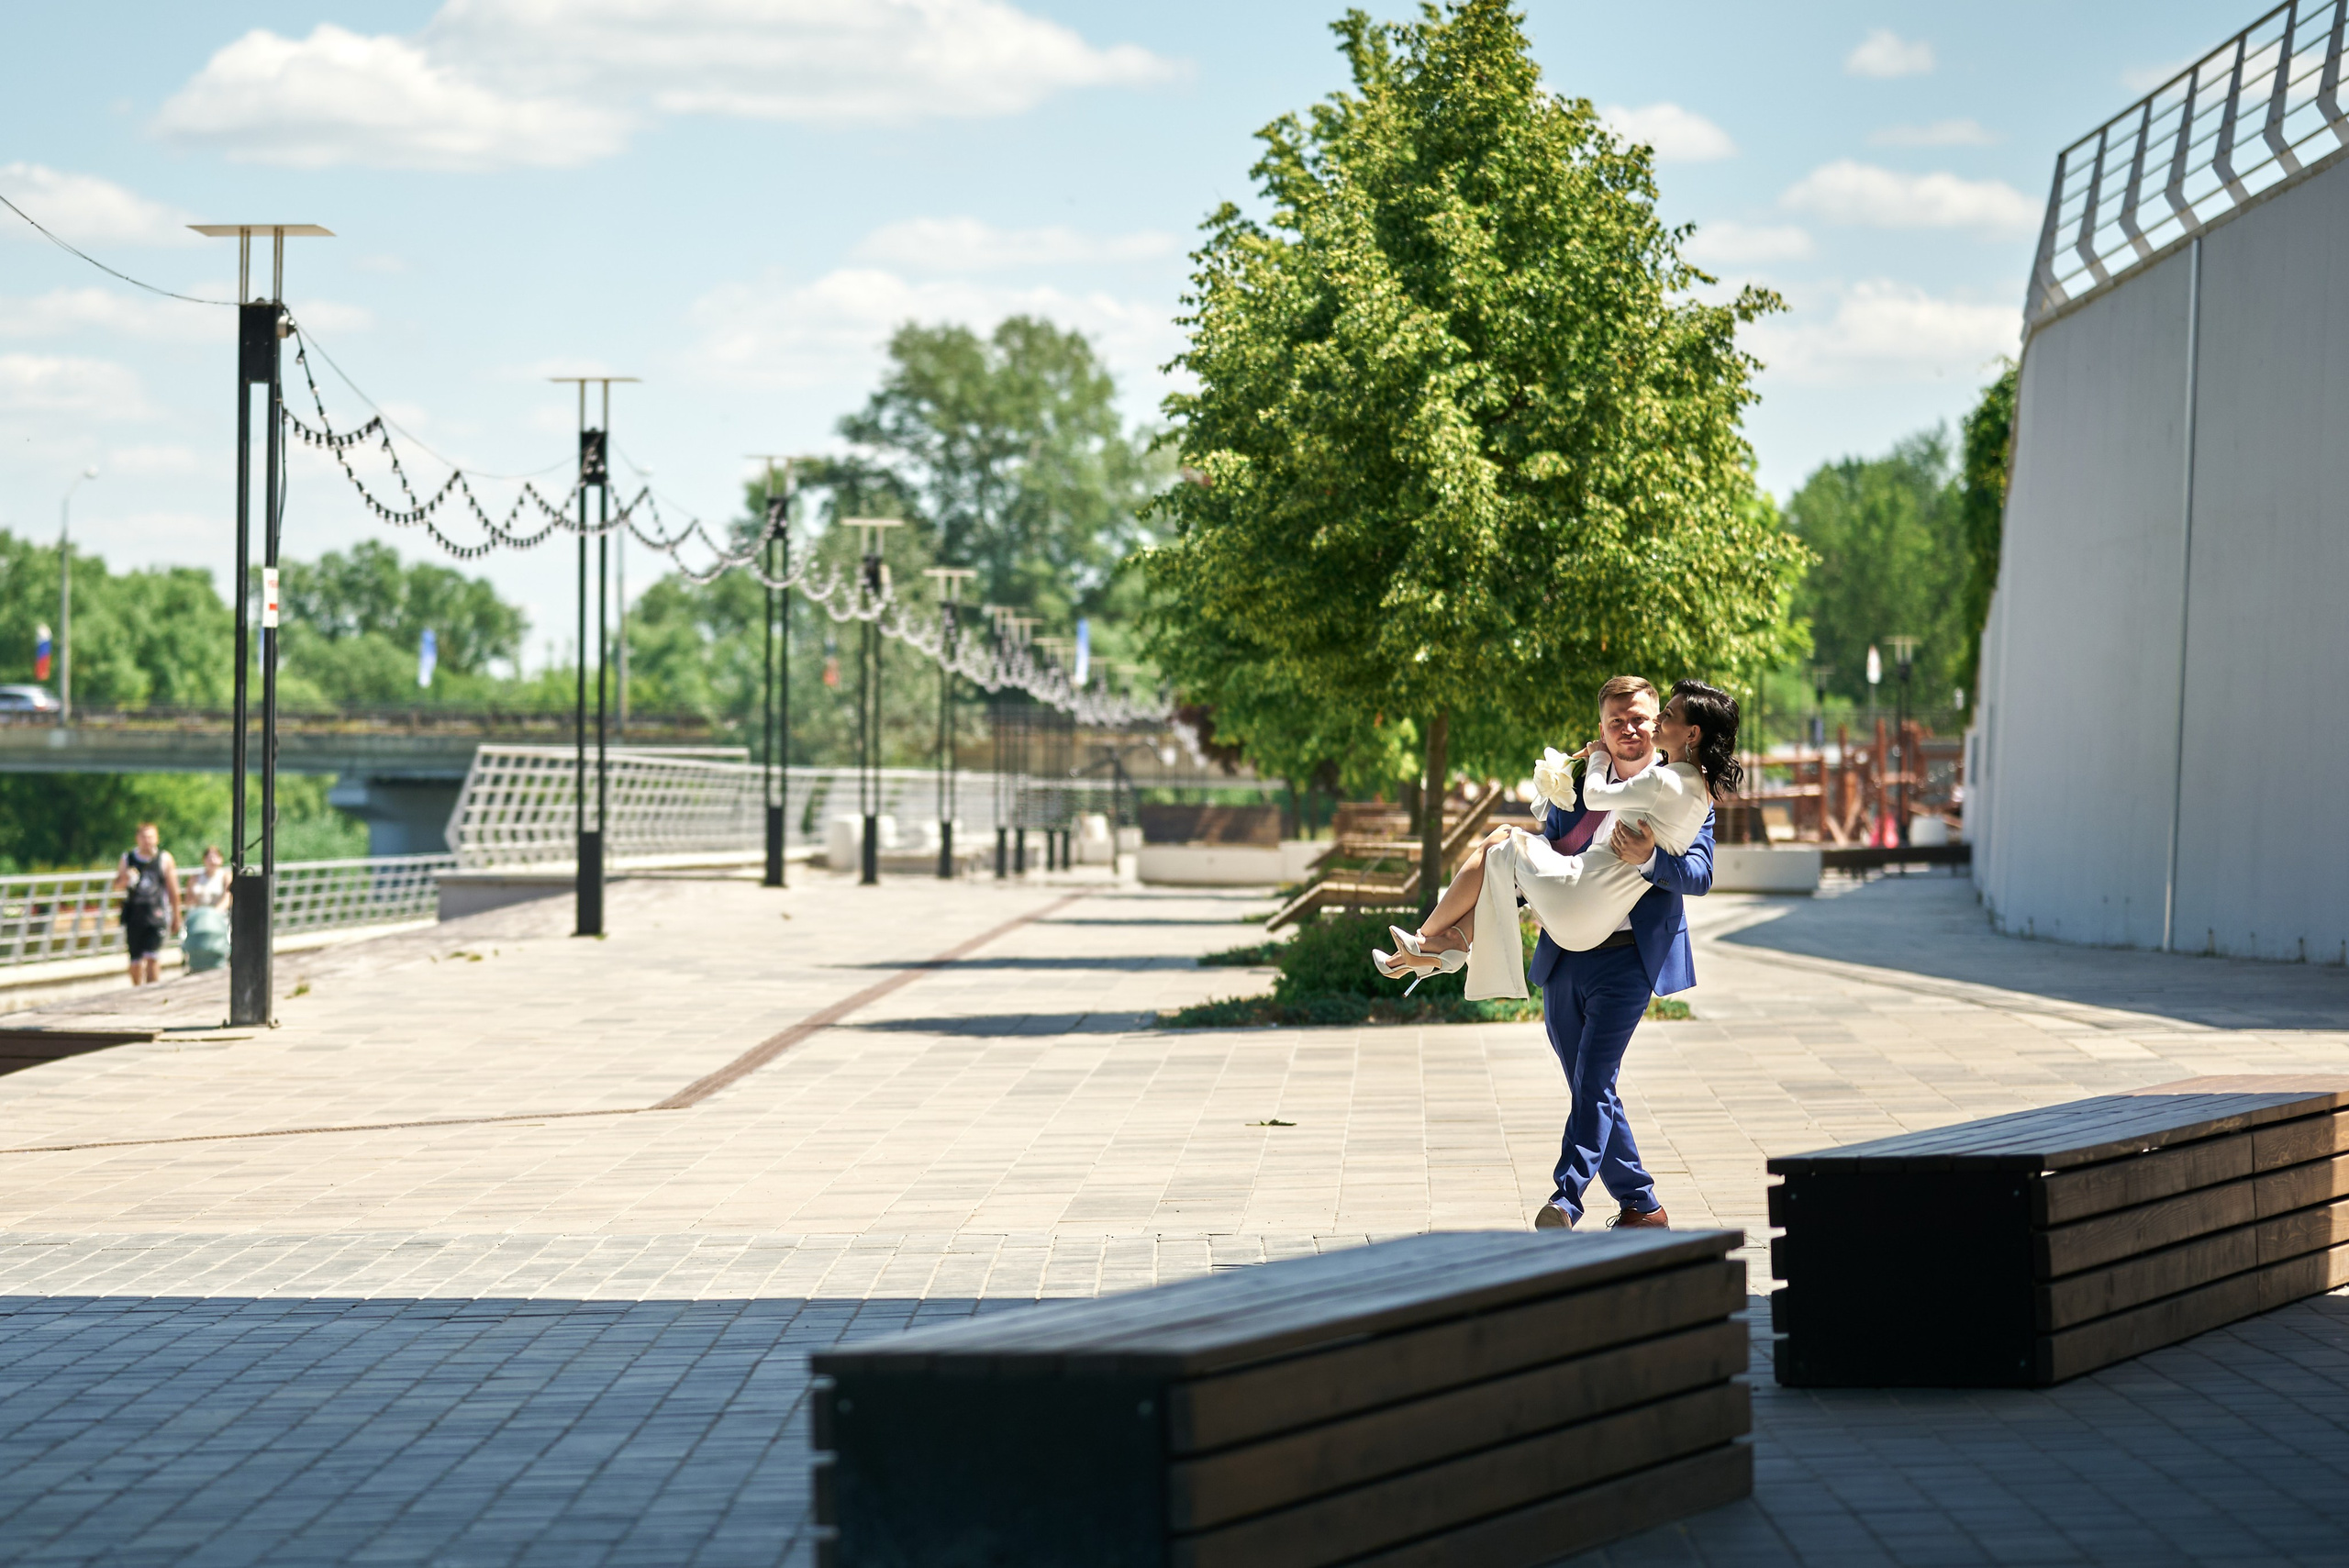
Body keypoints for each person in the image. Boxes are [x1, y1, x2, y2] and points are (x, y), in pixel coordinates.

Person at [1376, 676, 1731, 1229]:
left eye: (1641, 718)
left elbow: (1700, 874)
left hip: (1629, 956)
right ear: (1603, 730)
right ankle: (1642, 1205)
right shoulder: (1572, 782)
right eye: (1618, 721)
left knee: (1594, 1079)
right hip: (1566, 950)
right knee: (1590, 1084)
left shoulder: (1680, 788)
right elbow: (1551, 859)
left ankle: (1566, 1198)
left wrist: (1646, 858)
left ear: (1659, 720)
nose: (1631, 729)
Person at [110, 822, 181, 986]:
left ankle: (152, 989)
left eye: (150, 837)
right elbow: (117, 885)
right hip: (135, 914)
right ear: (137, 839)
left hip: (156, 913)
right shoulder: (128, 858)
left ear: (156, 839)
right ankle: (137, 989)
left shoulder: (164, 858)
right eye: (144, 837)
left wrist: (176, 915)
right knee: (135, 961)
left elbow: (173, 890)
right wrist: (125, 878)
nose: (147, 841)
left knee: (152, 956)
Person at [182, 845, 232, 973]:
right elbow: (188, 900)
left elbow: (228, 898)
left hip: (218, 915)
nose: (213, 861)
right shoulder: (195, 878)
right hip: (199, 916)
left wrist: (214, 913)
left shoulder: (225, 876)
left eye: (216, 857)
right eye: (210, 858)